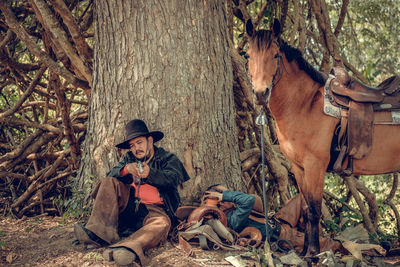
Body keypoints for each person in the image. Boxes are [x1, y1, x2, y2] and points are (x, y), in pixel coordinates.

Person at [74, 119, 190, 266]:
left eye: (139, 142)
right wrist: (125, 169)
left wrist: (151, 173)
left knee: (161, 224)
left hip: (155, 211)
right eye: (132, 145)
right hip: (129, 209)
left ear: (150, 140)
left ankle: (128, 248)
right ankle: (97, 234)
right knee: (109, 181)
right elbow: (111, 175)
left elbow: (173, 178)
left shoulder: (168, 158)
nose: (136, 148)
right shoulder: (129, 158)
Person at [203, 185, 343, 254]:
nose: (229, 194)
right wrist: (225, 196)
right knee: (333, 245)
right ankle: (318, 239)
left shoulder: (232, 211)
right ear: (220, 201)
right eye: (225, 194)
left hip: (279, 220)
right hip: (283, 236)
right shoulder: (231, 219)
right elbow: (249, 200)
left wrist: (225, 196)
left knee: (304, 197)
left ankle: (317, 232)